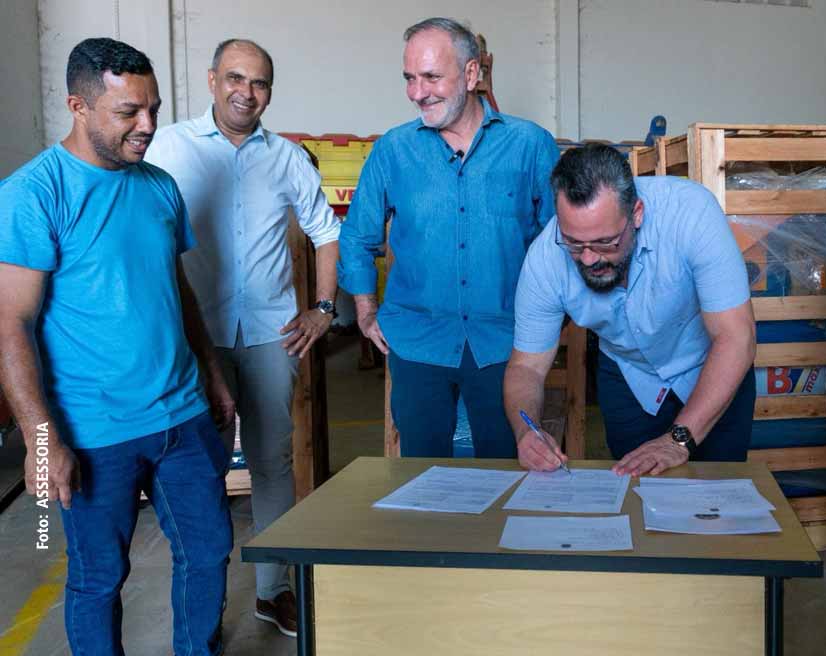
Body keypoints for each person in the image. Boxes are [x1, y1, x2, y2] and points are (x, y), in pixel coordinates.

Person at [0, 38, 234, 656]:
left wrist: (211, 369)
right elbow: (11, 326)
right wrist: (42, 441)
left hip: (182, 413)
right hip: (93, 426)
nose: (148, 126)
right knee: (100, 577)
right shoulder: (33, 193)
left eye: (153, 108)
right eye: (128, 112)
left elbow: (173, 288)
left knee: (208, 552)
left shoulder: (158, 186)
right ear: (78, 106)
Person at [145, 38, 340, 638]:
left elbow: (325, 231)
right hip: (191, 337)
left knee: (272, 465)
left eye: (258, 84)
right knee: (198, 470)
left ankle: (271, 591)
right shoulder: (167, 146)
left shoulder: (285, 157)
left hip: (268, 335)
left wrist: (324, 308)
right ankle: (203, 605)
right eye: (235, 78)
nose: (245, 93)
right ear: (211, 80)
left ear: (269, 93)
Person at [338, 17, 560, 457]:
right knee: (422, 477)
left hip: (506, 345)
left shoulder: (530, 145)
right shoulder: (393, 150)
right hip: (416, 341)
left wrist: (553, 317)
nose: (418, 92)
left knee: (506, 469)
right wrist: (365, 311)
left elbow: (559, 241)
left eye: (432, 77)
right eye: (410, 78)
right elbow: (357, 237)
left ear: (472, 73)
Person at [506, 144, 757, 476]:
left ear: (636, 213)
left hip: (710, 365)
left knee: (716, 499)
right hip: (629, 375)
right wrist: (527, 432)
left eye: (605, 242)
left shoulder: (691, 212)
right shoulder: (544, 259)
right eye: (574, 244)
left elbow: (736, 338)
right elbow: (527, 368)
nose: (589, 258)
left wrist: (677, 440)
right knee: (634, 499)